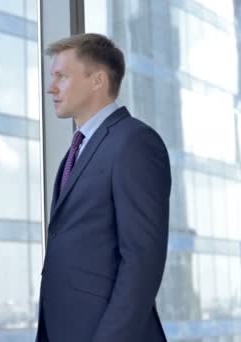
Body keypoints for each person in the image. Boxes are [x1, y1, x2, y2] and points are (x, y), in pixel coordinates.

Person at [36, 33, 171, 342]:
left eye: (62, 77)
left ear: (97, 80)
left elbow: (141, 262)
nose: (51, 87)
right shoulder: (79, 149)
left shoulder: (134, 142)